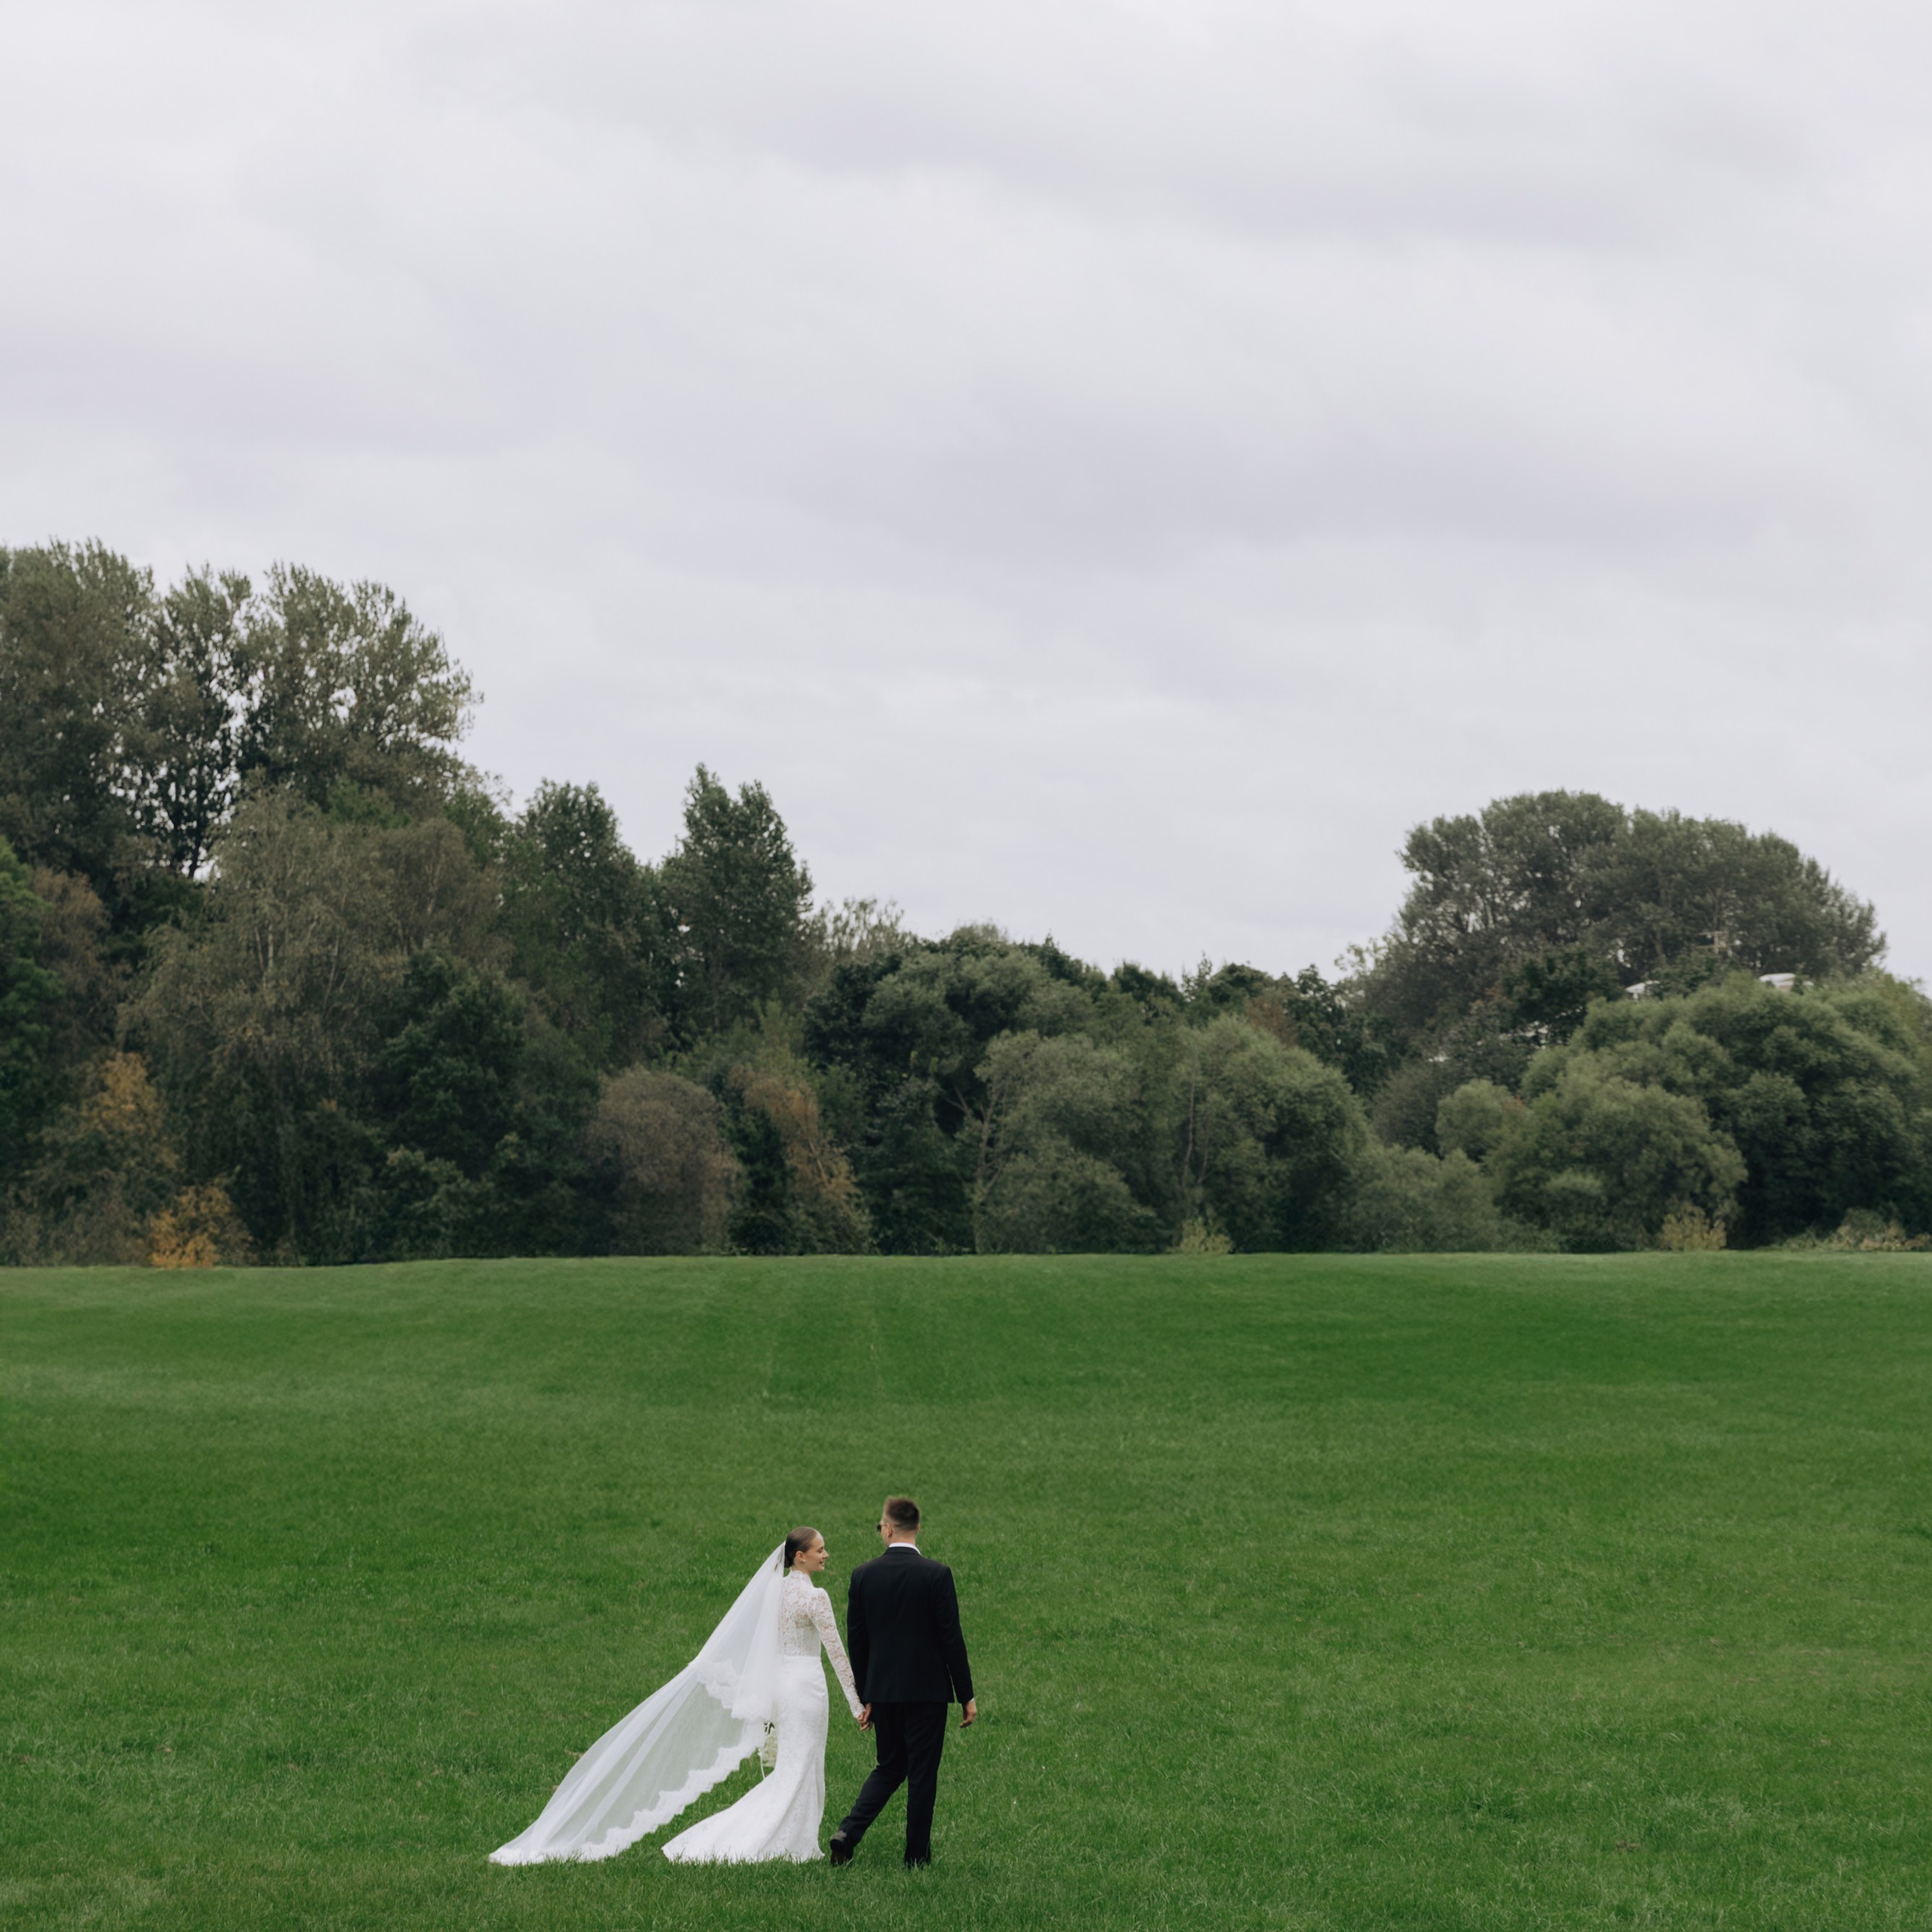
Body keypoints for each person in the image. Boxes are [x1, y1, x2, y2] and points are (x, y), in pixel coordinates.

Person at [489, 1527, 863, 1866]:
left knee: (794, 1765)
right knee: (803, 1764)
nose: (826, 1555)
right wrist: (857, 1704)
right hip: (807, 1689)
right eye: (820, 1550)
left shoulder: (774, 1592)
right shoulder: (816, 1598)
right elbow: (836, 1652)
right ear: (800, 1556)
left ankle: (796, 1838)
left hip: (784, 1686)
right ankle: (785, 1841)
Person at [829, 1497, 977, 1869]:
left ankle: (847, 1833)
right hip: (928, 1692)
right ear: (917, 1528)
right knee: (922, 1774)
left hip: (883, 1691)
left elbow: (857, 1641)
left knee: (890, 1766)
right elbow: (951, 1639)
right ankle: (916, 1858)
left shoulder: (863, 1575)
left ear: (889, 1529)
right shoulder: (937, 1574)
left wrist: (866, 1696)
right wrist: (966, 1695)